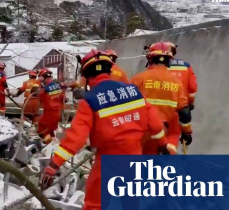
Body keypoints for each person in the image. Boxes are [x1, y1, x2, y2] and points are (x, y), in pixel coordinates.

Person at [40, 50, 170, 209]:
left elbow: (76, 138)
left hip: (108, 162)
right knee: (131, 201)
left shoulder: (90, 101)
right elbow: (155, 124)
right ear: (109, 71)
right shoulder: (133, 91)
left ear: (87, 76)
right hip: (135, 157)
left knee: (95, 204)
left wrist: (53, 165)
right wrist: (163, 144)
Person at [131, 42, 193, 155]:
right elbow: (184, 112)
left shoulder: (138, 79)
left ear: (150, 59)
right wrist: (187, 132)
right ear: (169, 60)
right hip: (163, 131)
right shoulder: (177, 83)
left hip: (139, 130)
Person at [165, 41, 198, 111]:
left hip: (163, 107)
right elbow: (192, 87)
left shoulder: (157, 67)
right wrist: (190, 102)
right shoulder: (186, 66)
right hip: (181, 106)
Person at [36, 68, 65, 144]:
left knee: (41, 130)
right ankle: (54, 144)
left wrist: (38, 82)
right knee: (51, 130)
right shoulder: (58, 86)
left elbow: (37, 94)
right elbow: (63, 98)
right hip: (57, 113)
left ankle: (49, 146)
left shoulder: (45, 89)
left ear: (43, 77)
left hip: (49, 114)